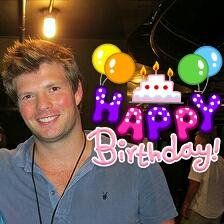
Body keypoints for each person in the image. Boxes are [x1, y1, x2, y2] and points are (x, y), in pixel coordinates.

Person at [0, 39, 177, 224]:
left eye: (53, 89)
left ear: (77, 92)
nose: (42, 105)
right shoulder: (4, 168)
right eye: (28, 96)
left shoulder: (137, 165)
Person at [180, 132, 224, 224]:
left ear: (206, 144)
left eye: (197, 143)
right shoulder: (220, 160)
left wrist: (186, 204)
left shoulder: (199, 158)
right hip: (217, 212)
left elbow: (194, 183)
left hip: (199, 210)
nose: (195, 146)